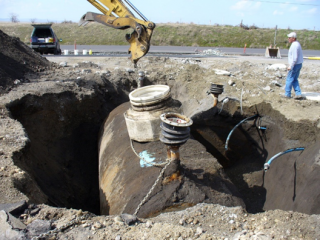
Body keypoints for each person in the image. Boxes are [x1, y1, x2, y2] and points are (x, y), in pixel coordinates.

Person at [284, 32, 304, 99]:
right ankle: (298, 94)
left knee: (289, 79)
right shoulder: (297, 44)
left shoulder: (294, 45)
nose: (288, 39)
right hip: (299, 64)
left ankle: (287, 94)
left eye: (290, 38)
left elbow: (294, 57)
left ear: (293, 38)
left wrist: (291, 66)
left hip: (295, 65)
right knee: (295, 79)